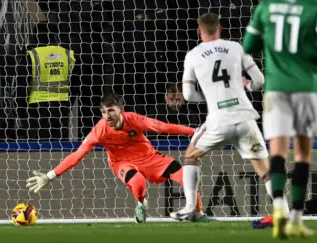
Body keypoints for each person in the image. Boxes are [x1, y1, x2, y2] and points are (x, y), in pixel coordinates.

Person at [243, 0, 317, 239]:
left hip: (277, 87)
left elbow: (247, 46)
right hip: (307, 87)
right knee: (303, 153)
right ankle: (297, 217)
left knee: (278, 152)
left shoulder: (265, 6)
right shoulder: (316, 7)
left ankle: (280, 208)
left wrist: (269, 55)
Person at [26, 92, 203, 223]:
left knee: (187, 178)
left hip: (150, 157)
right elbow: (77, 155)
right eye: (103, 112)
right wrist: (50, 176)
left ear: (121, 110)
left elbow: (163, 127)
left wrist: (195, 132)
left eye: (111, 111)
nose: (107, 116)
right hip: (121, 163)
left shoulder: (133, 119)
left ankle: (198, 215)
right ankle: (141, 203)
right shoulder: (99, 131)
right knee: (138, 183)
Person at [171, 12, 278, 222]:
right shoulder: (236, 48)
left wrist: (211, 97)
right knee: (265, 170)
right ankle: (285, 211)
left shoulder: (193, 55)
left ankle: (191, 207)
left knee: (191, 156)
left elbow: (188, 95)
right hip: (245, 118)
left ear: (199, 31)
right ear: (220, 29)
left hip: (219, 120)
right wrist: (246, 85)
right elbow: (260, 81)